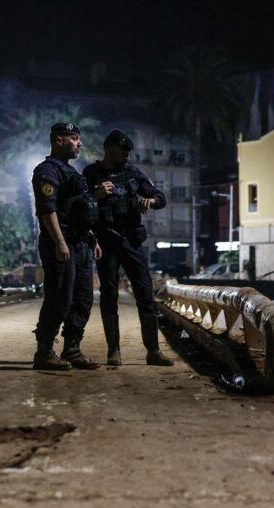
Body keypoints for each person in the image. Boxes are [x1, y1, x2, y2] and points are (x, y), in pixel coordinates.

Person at [83, 129, 174, 367]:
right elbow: (80, 206)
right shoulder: (91, 173)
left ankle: (153, 351)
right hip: (107, 243)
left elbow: (160, 197)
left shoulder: (133, 173)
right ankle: (114, 351)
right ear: (110, 149)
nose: (127, 157)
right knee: (109, 296)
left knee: (145, 294)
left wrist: (151, 201)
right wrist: (96, 195)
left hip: (132, 242)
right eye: (123, 152)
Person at [31, 122, 105, 371]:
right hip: (62, 245)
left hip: (81, 244)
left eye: (79, 138)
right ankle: (44, 352)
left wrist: (92, 239)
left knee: (83, 299)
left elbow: (81, 210)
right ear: (58, 140)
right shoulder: (47, 171)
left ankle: (72, 349)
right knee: (60, 297)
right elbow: (47, 210)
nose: (79, 143)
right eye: (74, 138)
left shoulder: (73, 173)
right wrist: (60, 242)